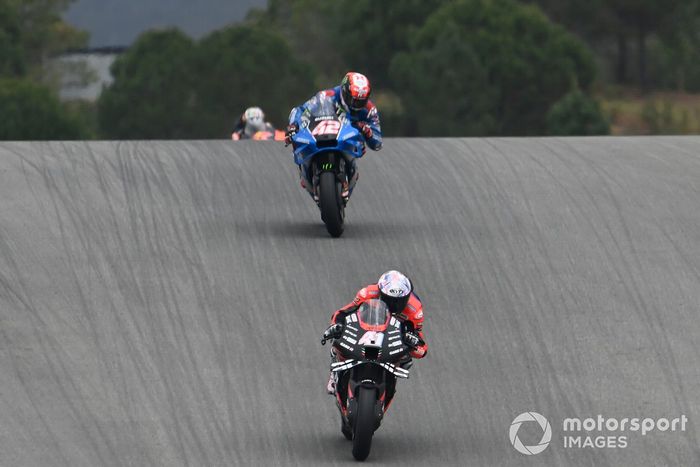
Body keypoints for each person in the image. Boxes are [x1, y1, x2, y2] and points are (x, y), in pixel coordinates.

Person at [322, 270, 427, 398]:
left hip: (394, 336)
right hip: (367, 328)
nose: (394, 305)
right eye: (389, 300)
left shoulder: (415, 309)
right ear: (380, 292)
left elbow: (421, 344)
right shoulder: (367, 293)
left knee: (408, 359)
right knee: (337, 338)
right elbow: (342, 313)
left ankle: (389, 382)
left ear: (408, 296)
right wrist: (336, 326)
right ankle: (334, 375)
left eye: (399, 301)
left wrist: (414, 343)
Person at [285, 72, 382, 201]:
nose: (355, 105)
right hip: (324, 132)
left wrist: (367, 131)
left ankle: (348, 173)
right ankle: (306, 170)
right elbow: (301, 110)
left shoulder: (370, 110)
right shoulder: (326, 96)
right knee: (297, 139)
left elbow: (377, 143)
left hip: (348, 140)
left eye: (360, 102)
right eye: (352, 99)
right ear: (344, 91)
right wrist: (294, 125)